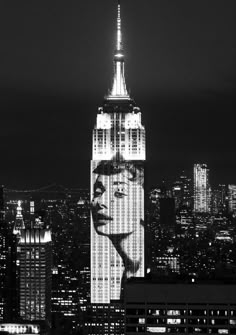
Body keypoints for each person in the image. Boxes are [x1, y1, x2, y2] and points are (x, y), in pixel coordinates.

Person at [91, 158, 144, 296]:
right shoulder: (130, 269)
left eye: (119, 192)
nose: (100, 202)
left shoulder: (142, 271)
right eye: (98, 192)